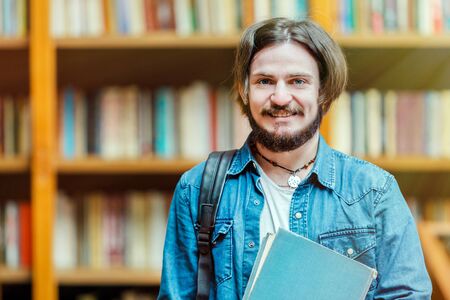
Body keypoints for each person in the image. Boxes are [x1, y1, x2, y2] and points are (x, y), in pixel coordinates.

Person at [158, 17, 432, 299]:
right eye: (264, 81)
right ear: (245, 90)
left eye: (297, 81)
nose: (280, 97)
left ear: (322, 91)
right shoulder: (195, 189)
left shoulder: (374, 191)